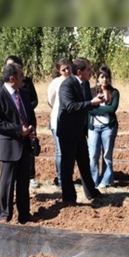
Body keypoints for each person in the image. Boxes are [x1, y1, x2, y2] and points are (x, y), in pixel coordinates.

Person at [0, 63, 39, 223]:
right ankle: (4, 215)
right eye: (21, 76)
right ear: (12, 78)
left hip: (24, 146)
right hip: (8, 147)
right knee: (7, 184)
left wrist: (32, 130)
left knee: (23, 183)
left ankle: (24, 215)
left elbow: (30, 115)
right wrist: (18, 130)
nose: (24, 78)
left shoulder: (23, 93)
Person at [57, 57, 105, 204]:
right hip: (68, 131)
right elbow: (70, 107)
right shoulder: (67, 85)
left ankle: (91, 192)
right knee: (68, 166)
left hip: (79, 130)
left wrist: (97, 102)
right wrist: (91, 102)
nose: (91, 72)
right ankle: (69, 198)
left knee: (84, 163)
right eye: (89, 70)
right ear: (79, 72)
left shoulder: (85, 84)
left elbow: (86, 104)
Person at [0, 55, 39, 189]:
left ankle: (30, 178)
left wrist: (30, 124)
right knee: (8, 183)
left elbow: (33, 102)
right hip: (11, 135)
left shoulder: (24, 88)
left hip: (26, 130)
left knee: (23, 180)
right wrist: (17, 126)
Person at [88, 66, 120, 188]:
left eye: (106, 77)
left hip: (109, 127)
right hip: (94, 127)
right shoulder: (91, 92)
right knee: (93, 155)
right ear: (97, 78)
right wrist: (99, 109)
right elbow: (89, 109)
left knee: (107, 154)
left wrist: (96, 107)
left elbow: (112, 109)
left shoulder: (115, 92)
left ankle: (107, 181)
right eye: (102, 77)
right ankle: (93, 181)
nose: (104, 80)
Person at [47, 57, 72, 187]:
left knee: (69, 151)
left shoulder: (75, 81)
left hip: (71, 122)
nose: (67, 71)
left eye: (68, 68)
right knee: (60, 151)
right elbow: (50, 100)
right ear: (59, 70)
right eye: (63, 69)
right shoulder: (55, 83)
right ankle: (61, 179)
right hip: (57, 121)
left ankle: (68, 178)